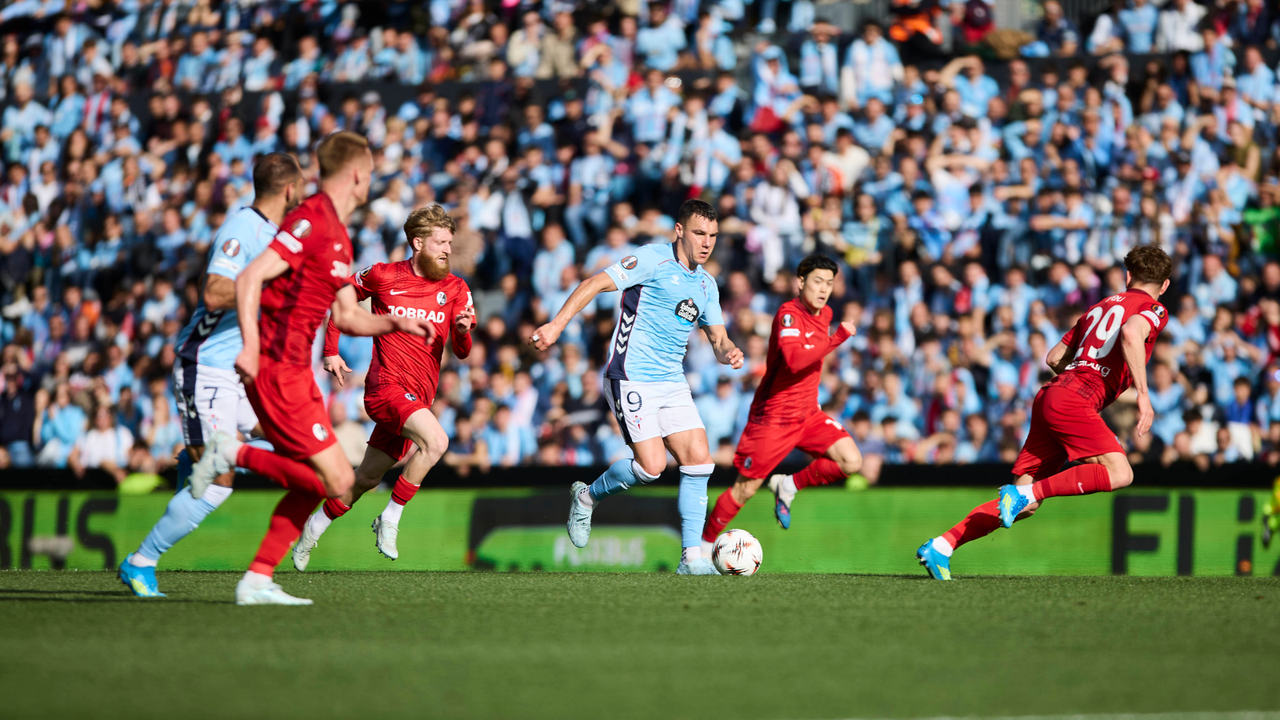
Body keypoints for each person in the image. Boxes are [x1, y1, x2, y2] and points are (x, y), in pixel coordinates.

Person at [187, 132, 435, 605]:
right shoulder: (312, 218)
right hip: (277, 366)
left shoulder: (338, 234)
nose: (372, 180)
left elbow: (347, 317)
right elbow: (251, 277)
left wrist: (396, 321)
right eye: (371, 171)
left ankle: (257, 579)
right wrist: (251, 348)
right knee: (337, 480)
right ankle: (230, 453)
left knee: (321, 479)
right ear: (357, 174)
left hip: (298, 371)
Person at [916, 244, 1173, 580]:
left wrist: (1081, 371)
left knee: (1026, 505)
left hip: (1052, 395)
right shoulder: (1154, 308)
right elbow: (1131, 333)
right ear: (1164, 285)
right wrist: (1143, 395)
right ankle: (1022, 494)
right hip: (1074, 399)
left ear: (1128, 277)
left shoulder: (1097, 308)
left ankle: (943, 545)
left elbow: (1053, 357)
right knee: (1120, 473)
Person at [118, 153, 304, 598]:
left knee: (290, 440)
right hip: (206, 367)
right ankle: (141, 561)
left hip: (239, 371)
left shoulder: (275, 233)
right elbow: (216, 291)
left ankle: (196, 458)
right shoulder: (244, 227)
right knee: (220, 484)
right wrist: (267, 288)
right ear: (289, 190)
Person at [529, 199, 744, 575]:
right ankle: (586, 497)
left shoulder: (706, 284)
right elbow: (594, 283)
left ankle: (691, 559)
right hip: (631, 375)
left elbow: (718, 339)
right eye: (699, 233)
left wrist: (730, 352)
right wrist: (556, 325)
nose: (706, 242)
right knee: (651, 466)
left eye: (712, 235)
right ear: (679, 230)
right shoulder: (651, 259)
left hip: (672, 381)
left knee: (699, 458)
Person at [291, 205, 475, 569]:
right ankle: (390, 518)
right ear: (417, 243)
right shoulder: (382, 275)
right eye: (440, 242)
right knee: (437, 442)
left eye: (449, 243)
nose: (448, 250)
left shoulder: (455, 288)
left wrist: (461, 331)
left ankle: (312, 529)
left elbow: (462, 351)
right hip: (385, 389)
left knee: (365, 479)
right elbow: (340, 301)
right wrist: (330, 351)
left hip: (418, 399)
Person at [700, 255, 864, 552]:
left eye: (829, 283)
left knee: (851, 461)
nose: (823, 289)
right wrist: (837, 338)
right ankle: (699, 548)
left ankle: (788, 485)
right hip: (774, 418)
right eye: (817, 281)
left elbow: (813, 360)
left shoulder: (826, 313)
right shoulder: (788, 314)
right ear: (800, 282)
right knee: (744, 489)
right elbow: (794, 361)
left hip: (808, 413)